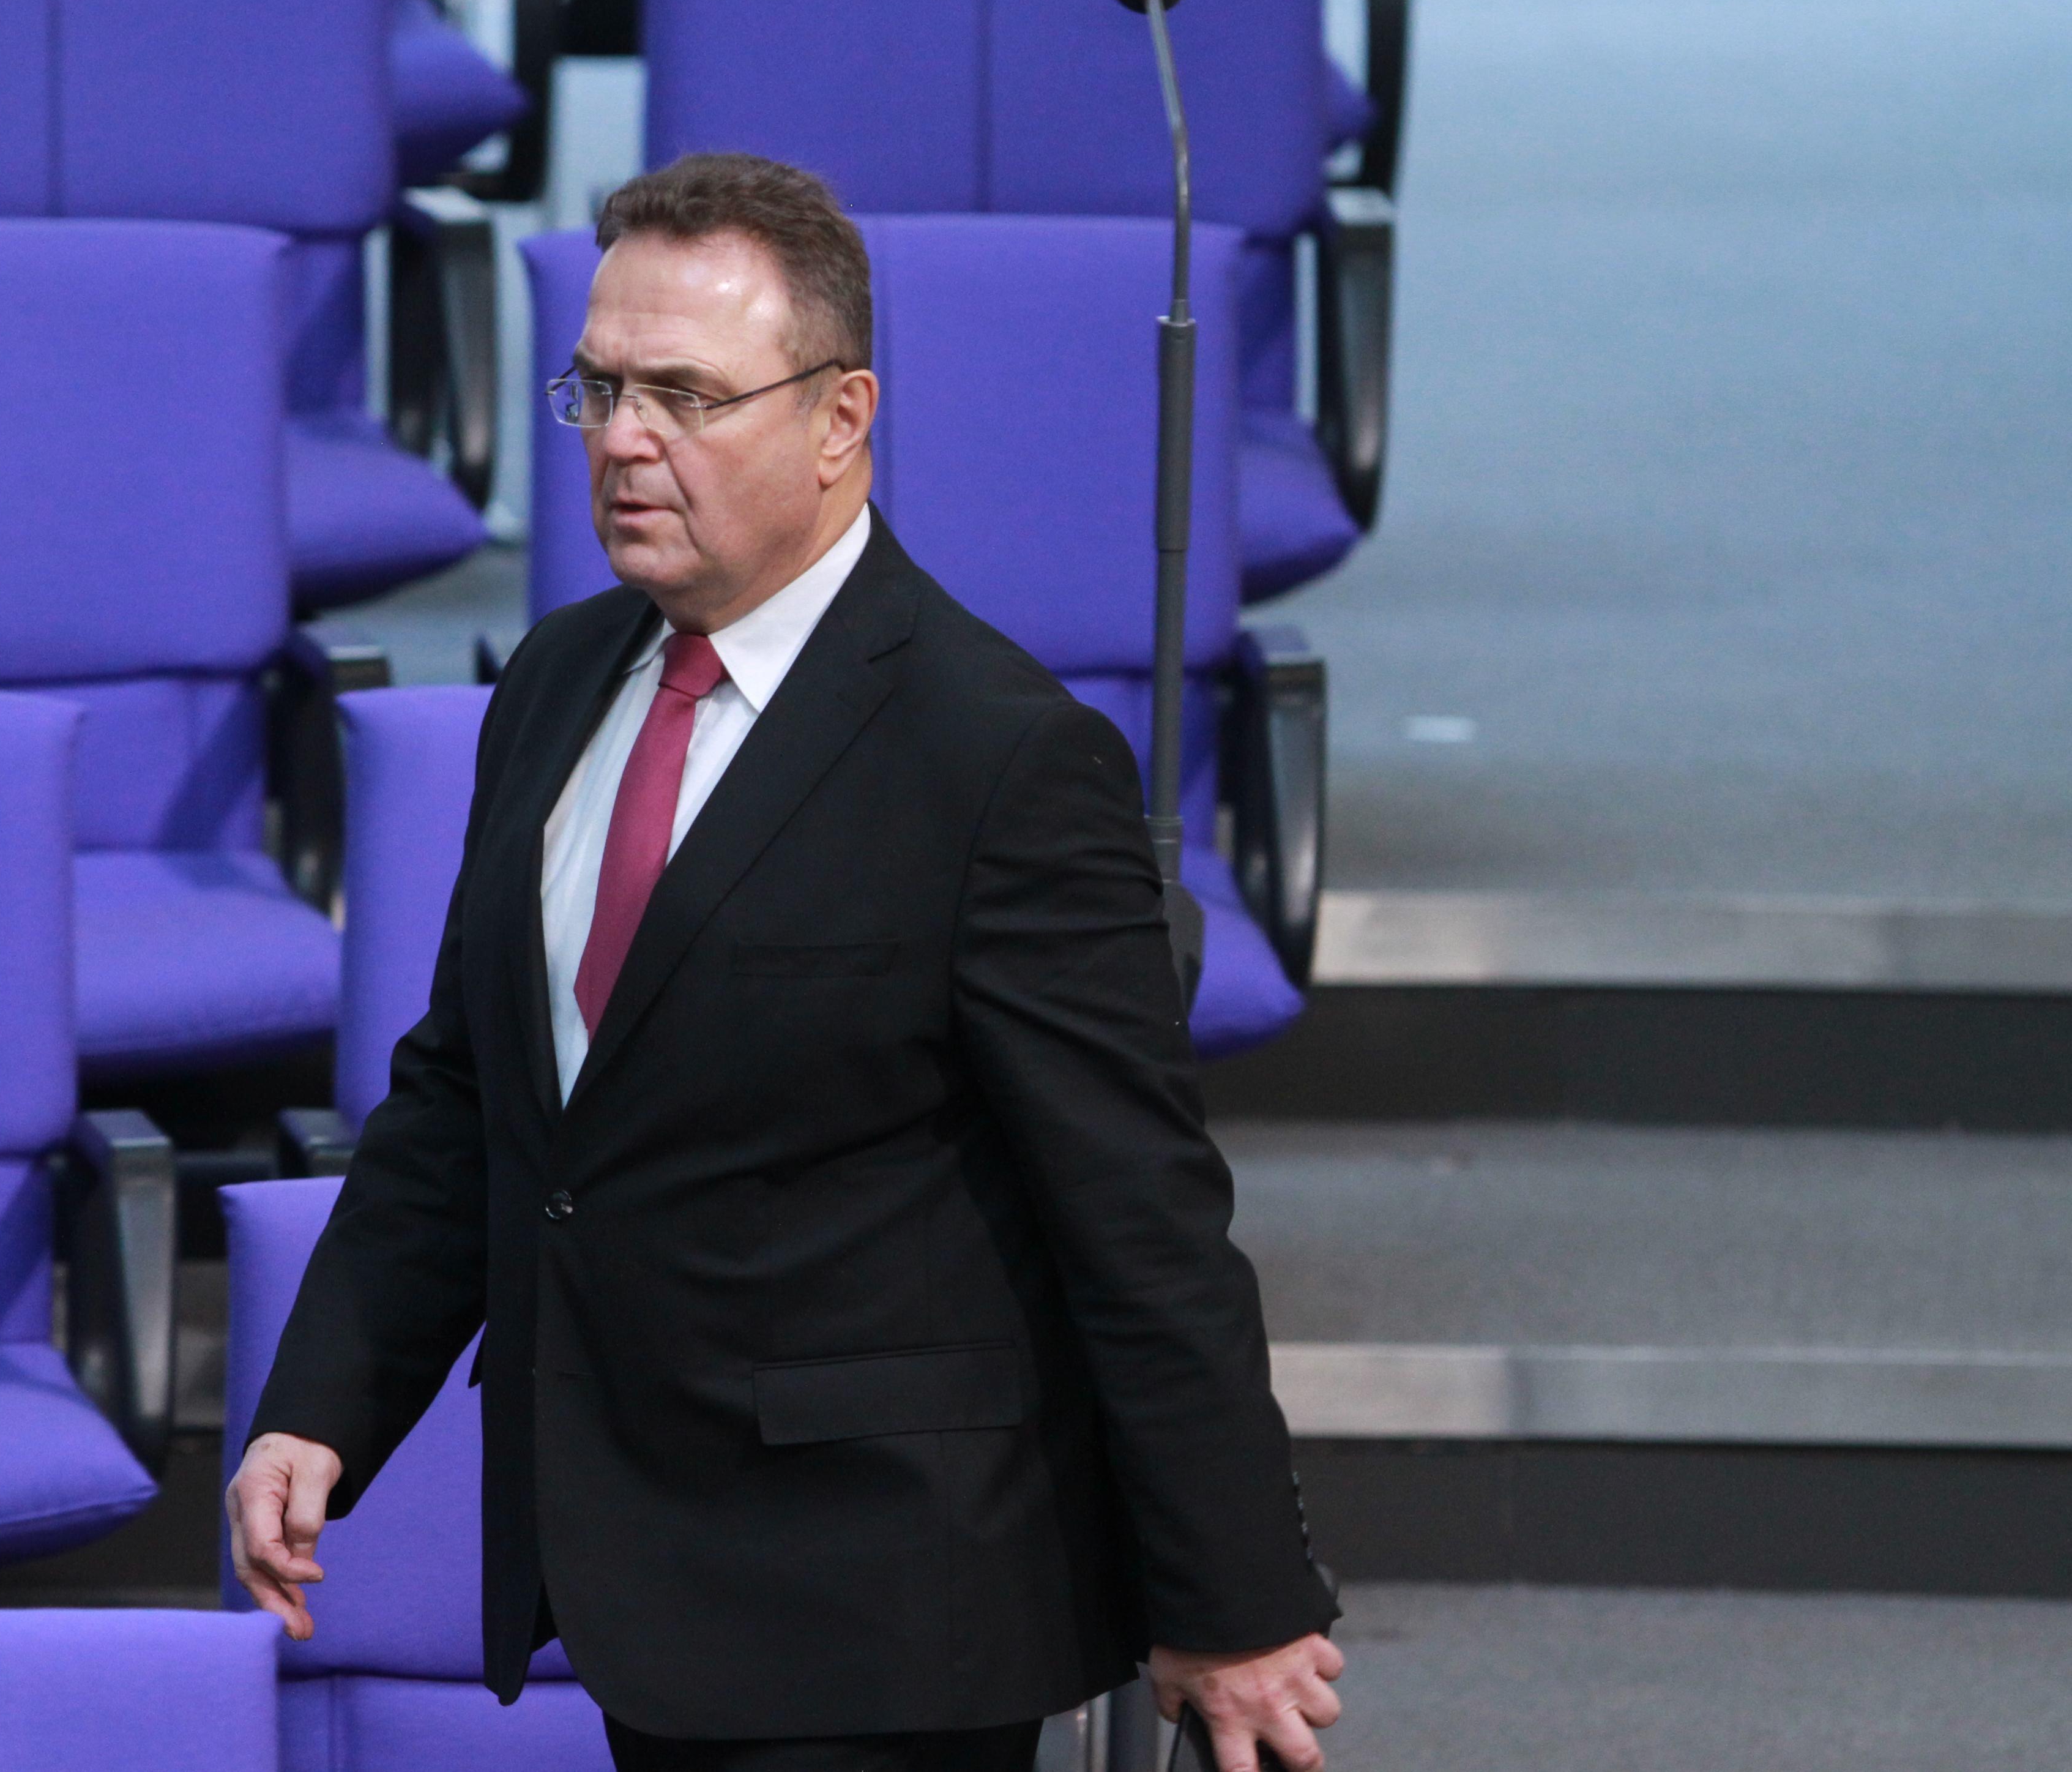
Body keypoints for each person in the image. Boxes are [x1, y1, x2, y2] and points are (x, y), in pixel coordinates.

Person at [229, 152, 1344, 1772]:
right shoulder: (557, 685)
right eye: (599, 389)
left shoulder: (1001, 759)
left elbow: (1140, 1217)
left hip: (881, 1609)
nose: (622, 440)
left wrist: (1237, 1597)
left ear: (841, 419)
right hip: (633, 1570)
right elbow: (475, 1096)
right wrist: (324, 1400)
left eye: (685, 394)